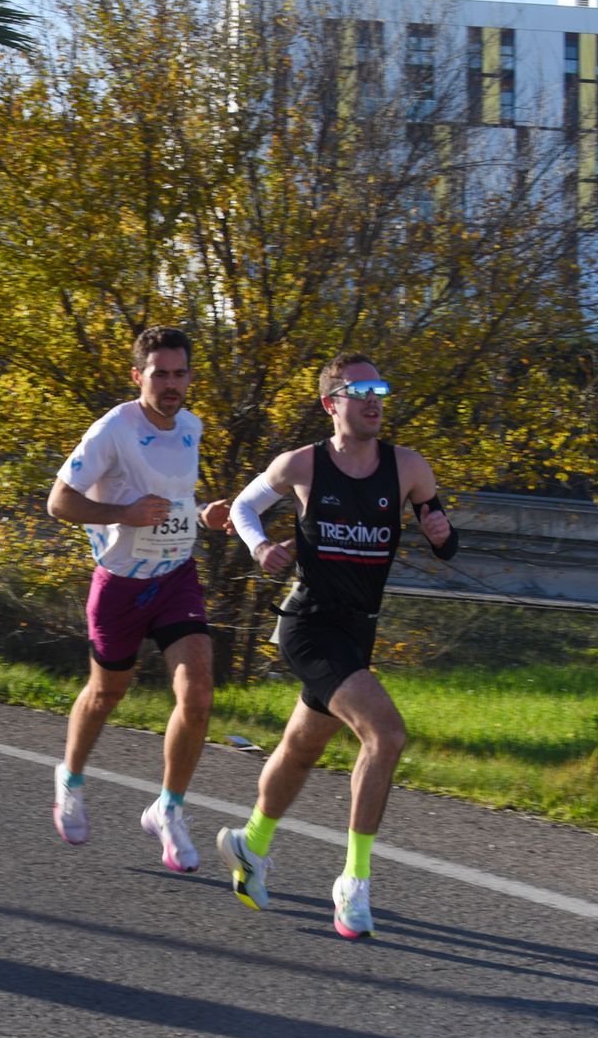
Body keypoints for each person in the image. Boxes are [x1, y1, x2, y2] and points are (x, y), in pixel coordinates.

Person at [217, 352, 457, 938]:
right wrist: (259, 547)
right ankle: (354, 883)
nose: (374, 399)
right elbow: (245, 507)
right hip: (309, 626)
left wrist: (442, 535)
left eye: (381, 387)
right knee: (387, 734)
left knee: (300, 750)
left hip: (358, 629)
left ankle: (250, 844)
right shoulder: (301, 465)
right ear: (332, 404)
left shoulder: (407, 467)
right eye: (359, 390)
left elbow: (442, 534)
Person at [45, 326, 230, 869]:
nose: (171, 385)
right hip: (120, 586)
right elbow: (59, 502)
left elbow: (172, 501)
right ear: (137, 376)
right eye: (159, 374)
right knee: (106, 694)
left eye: (180, 374)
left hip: (176, 578)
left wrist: (201, 516)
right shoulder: (112, 431)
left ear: (190, 377)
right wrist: (120, 515)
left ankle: (168, 809)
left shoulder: (191, 427)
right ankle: (71, 779)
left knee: (197, 694)